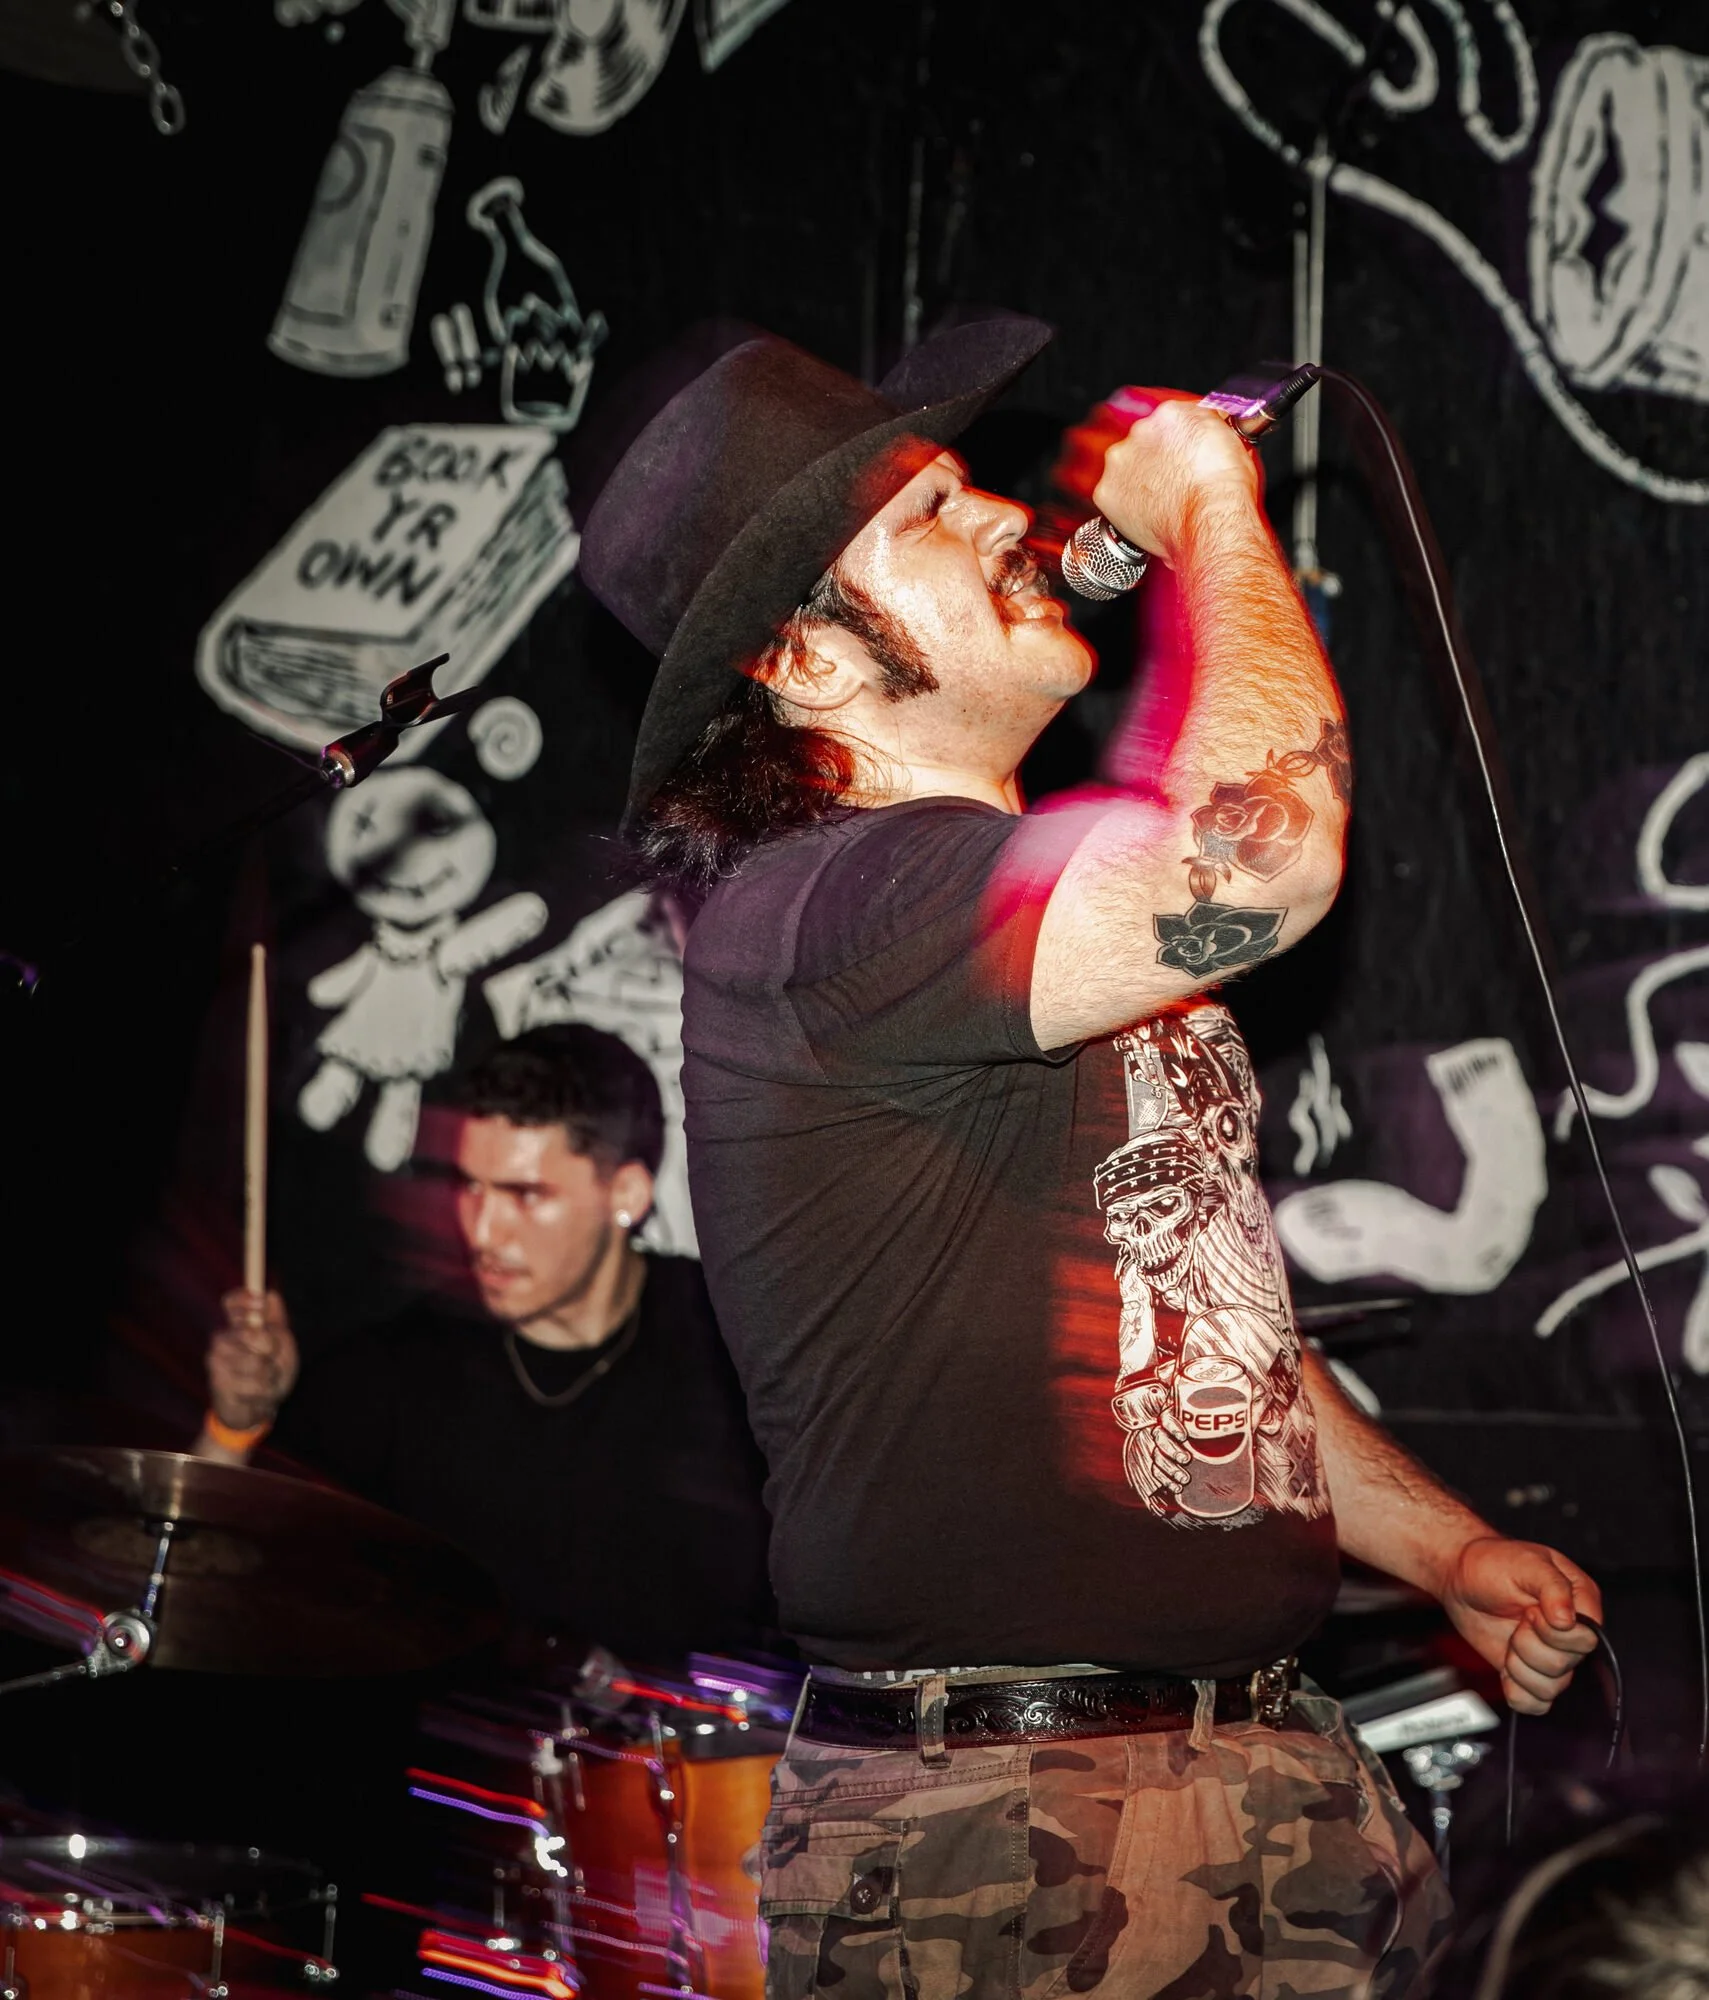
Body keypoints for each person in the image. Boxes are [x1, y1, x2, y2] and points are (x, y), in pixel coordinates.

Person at [577, 316, 1603, 1996]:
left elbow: (1196, 1320)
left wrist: (1437, 1550)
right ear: (811, 664)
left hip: (1266, 1774)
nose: (998, 516)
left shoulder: (1019, 918)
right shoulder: (832, 903)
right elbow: (1259, 868)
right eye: (924, 514)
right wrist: (1205, 502)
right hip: (1005, 1834)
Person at [192, 1023, 775, 1668]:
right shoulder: (407, 1365)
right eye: (471, 1187)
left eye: (526, 1195)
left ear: (627, 1196)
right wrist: (236, 1425)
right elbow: (212, 1580)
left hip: (706, 1757)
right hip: (460, 1756)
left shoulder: (740, 1345)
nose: (484, 1232)